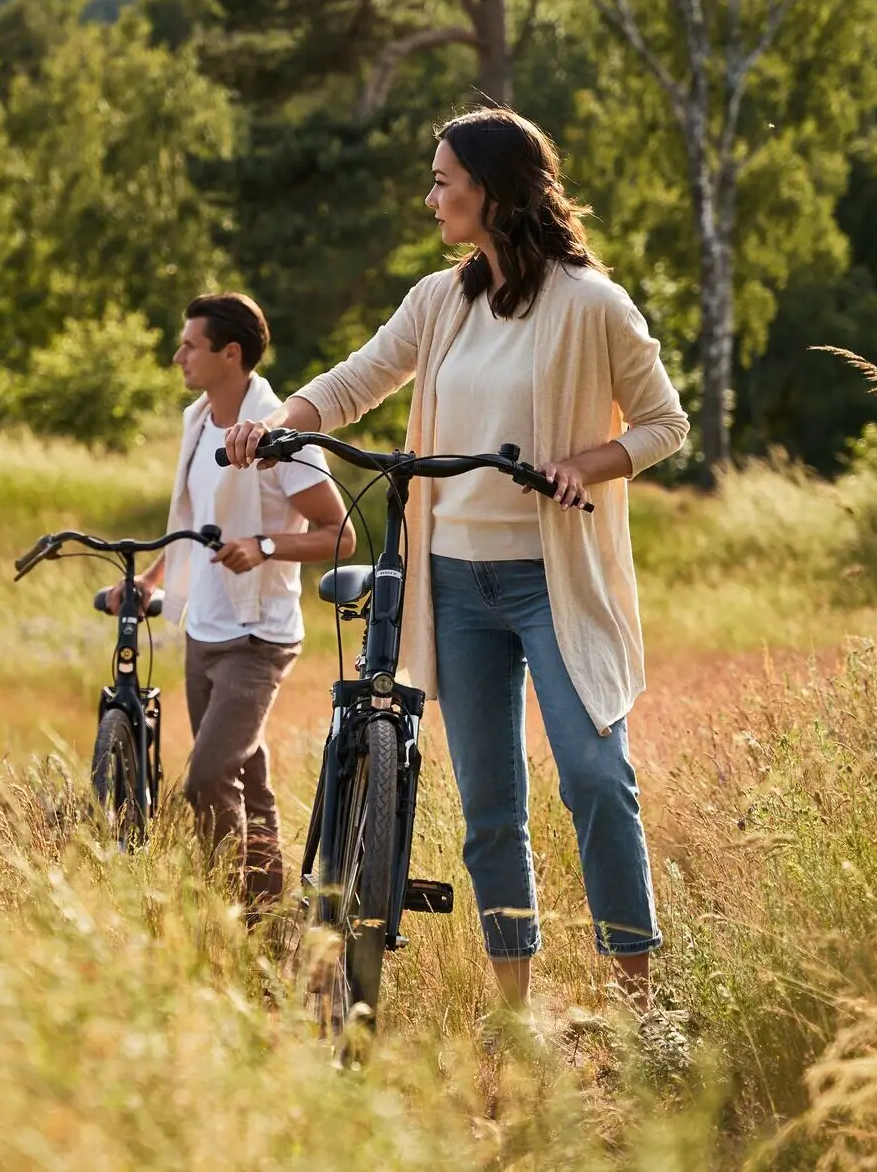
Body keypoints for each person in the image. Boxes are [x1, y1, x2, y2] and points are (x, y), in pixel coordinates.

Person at [221, 108, 690, 1017]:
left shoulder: (592, 303)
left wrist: (583, 464)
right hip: (454, 581)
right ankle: (517, 1015)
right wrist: (280, 424)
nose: (430, 196)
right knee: (488, 811)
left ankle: (643, 1004)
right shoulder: (441, 299)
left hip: (550, 580)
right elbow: (360, 379)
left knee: (595, 777)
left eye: (443, 180)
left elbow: (664, 422)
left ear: (494, 189)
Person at [112, 293, 355, 912]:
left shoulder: (280, 434)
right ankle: (268, 925)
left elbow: (339, 533)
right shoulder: (199, 419)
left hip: (257, 636)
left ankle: (234, 914)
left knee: (206, 778)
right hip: (205, 630)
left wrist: (266, 544)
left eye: (190, 345)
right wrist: (154, 581)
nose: (178, 356)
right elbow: (195, 519)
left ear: (231, 353)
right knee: (246, 777)